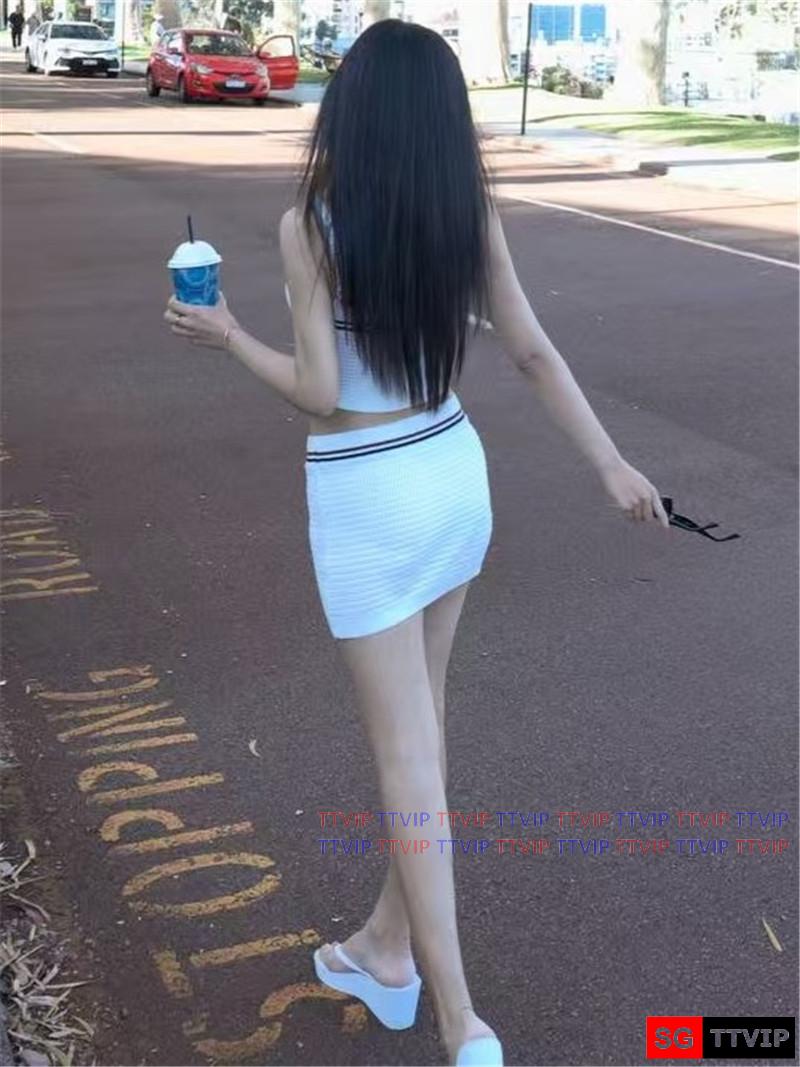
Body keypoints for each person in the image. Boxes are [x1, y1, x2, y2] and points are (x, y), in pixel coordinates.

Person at [163, 19, 670, 1066]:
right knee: (422, 742)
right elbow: (529, 349)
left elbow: (317, 391)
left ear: (349, 108)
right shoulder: (463, 209)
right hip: (452, 471)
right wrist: (611, 463)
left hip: (368, 492)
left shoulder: (309, 223)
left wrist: (228, 336)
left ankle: (459, 1018)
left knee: (408, 760)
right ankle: (382, 948)